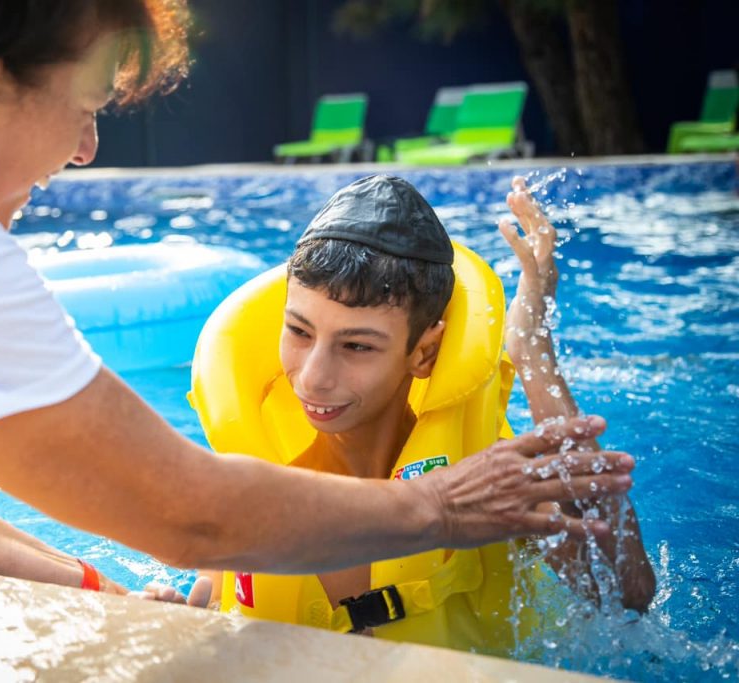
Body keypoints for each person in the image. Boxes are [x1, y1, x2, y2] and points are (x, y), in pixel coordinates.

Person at [0, 1, 635, 598]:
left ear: (423, 350)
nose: (86, 150)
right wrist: (441, 508)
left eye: (359, 344)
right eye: (86, 104)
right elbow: (189, 514)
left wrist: (89, 586)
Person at [195, 175, 654, 651]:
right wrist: (170, 615)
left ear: (424, 352)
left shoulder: (486, 486)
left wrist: (532, 351)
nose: (313, 378)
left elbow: (628, 593)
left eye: (356, 346)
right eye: (299, 331)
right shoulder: (243, 496)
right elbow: (208, 615)